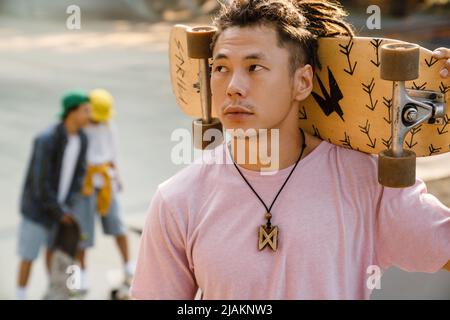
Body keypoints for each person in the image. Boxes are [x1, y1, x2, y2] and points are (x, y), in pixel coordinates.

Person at [130, 0, 450, 299]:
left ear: (302, 82)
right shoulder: (178, 201)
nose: (233, 87)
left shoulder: (367, 182)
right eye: (221, 68)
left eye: (254, 67)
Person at [16, 90, 90, 300]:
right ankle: (20, 295)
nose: (89, 115)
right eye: (85, 110)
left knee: (54, 251)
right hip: (37, 210)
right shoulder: (46, 139)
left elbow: (79, 174)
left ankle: (54, 292)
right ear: (72, 112)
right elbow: (40, 183)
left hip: (61, 210)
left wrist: (66, 206)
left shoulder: (82, 139)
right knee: (28, 255)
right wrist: (59, 211)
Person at [71, 89, 133, 294]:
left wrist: (118, 177)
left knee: (117, 225)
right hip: (85, 184)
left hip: (106, 181)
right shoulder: (80, 128)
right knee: (82, 232)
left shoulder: (109, 126)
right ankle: (82, 274)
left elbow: (112, 155)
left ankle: (128, 266)